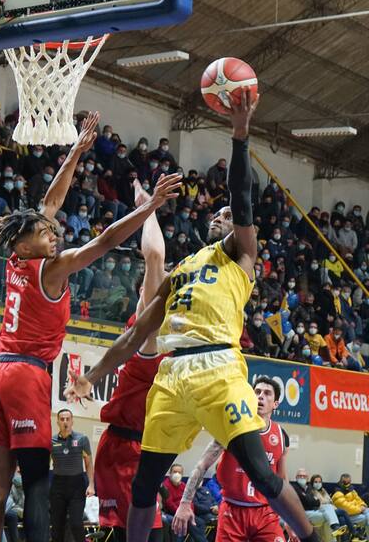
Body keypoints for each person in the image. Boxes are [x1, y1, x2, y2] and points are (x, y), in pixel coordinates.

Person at [66, 91, 321, 542]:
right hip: (172, 375)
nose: (224, 215)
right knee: (143, 487)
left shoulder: (240, 257)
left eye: (230, 215)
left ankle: (312, 538)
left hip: (218, 367)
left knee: (262, 474)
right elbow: (136, 335)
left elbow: (241, 196)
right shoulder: (183, 269)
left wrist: (240, 135)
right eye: (218, 213)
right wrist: (91, 375)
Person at [0, 111, 182, 542]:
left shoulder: (16, 259)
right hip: (24, 373)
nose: (53, 234)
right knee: (36, 482)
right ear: (25, 243)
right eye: (45, 234)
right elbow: (106, 240)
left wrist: (75, 153)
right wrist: (149, 207)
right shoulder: (51, 268)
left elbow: (50, 203)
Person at [93, 181, 167, 542]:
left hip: (143, 447)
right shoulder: (148, 330)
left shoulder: (169, 338)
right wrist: (148, 208)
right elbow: (154, 258)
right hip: (124, 449)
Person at [172, 377, 290, 542]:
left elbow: (283, 480)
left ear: (275, 404)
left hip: (265, 513)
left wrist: (291, 520)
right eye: (257, 392)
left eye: (267, 393)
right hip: (232, 511)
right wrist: (185, 503)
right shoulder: (231, 428)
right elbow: (202, 465)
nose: (260, 396)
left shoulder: (281, 436)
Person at [50, 410, 94, 542]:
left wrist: (91, 485)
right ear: (57, 422)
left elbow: (88, 463)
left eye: (68, 419)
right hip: (58, 486)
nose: (65, 422)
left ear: (72, 421)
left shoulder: (82, 439)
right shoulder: (51, 441)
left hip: (77, 486)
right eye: (62, 419)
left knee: (76, 523)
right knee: (57, 526)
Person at [291, 468, 339, 542]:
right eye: (300, 476)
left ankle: (335, 525)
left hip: (312, 511)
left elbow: (316, 502)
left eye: (304, 476)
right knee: (328, 517)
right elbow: (308, 500)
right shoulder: (294, 487)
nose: (302, 478)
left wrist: (310, 499)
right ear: (296, 477)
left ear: (307, 478)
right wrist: (311, 499)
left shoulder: (309, 488)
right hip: (301, 514)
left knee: (328, 507)